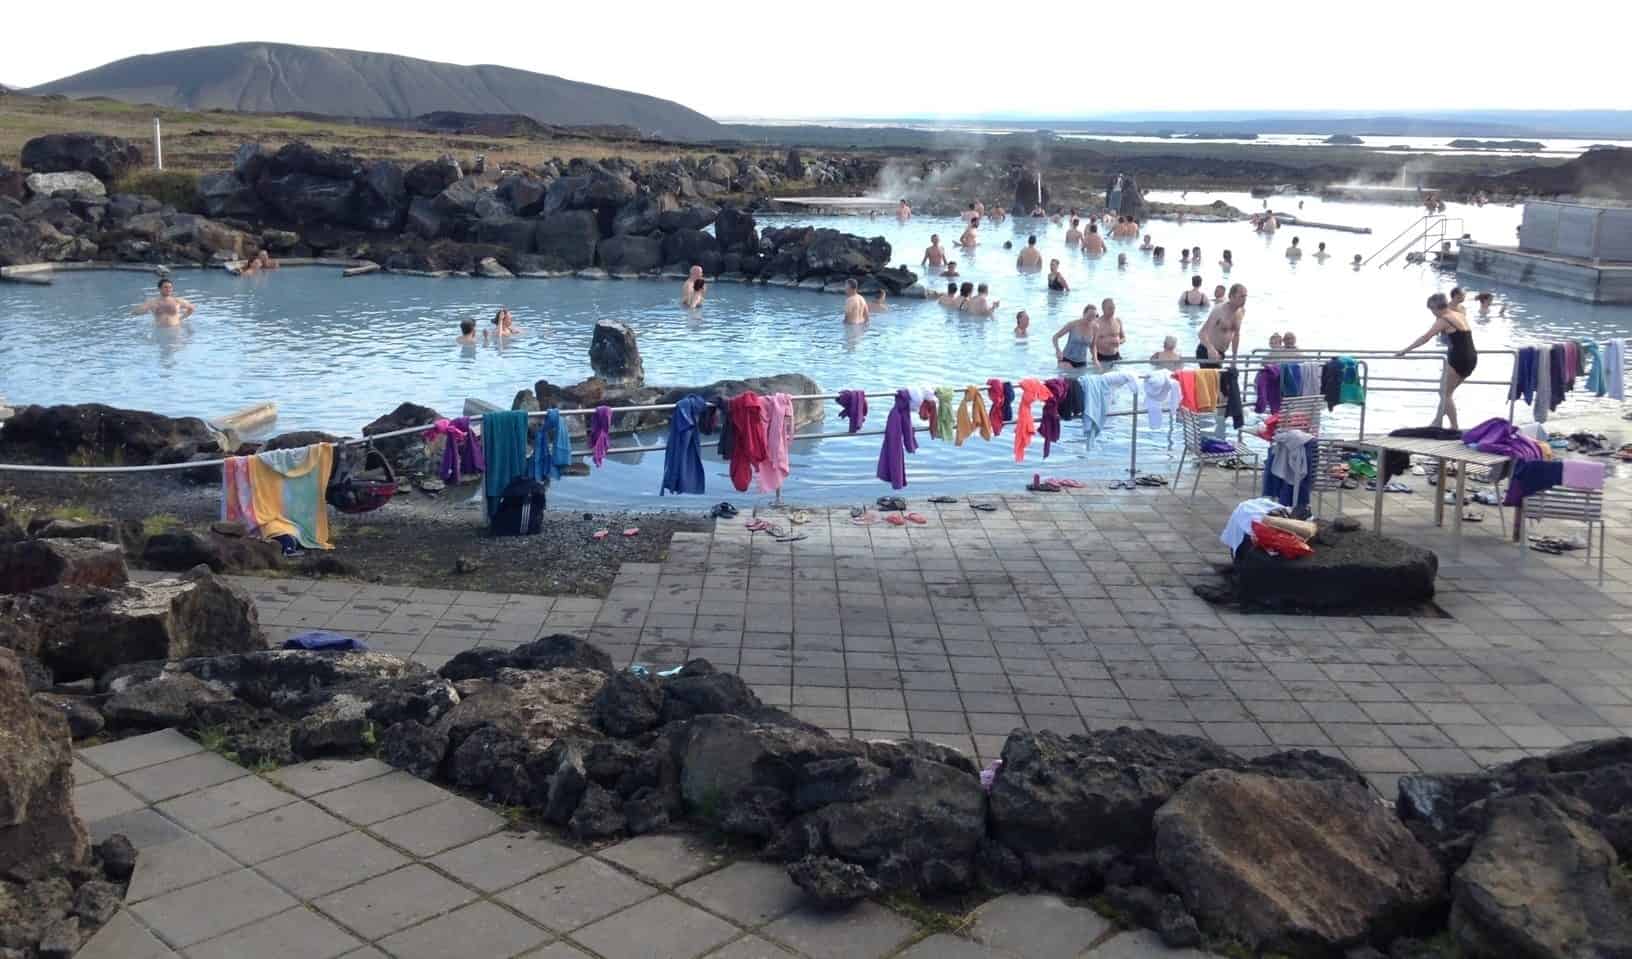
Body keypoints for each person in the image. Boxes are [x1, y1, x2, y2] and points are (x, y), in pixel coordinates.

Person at [1398, 292, 1477, 429]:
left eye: (1432, 310)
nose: (1432, 314)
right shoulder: (1458, 314)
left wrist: (1405, 350)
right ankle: (1437, 422)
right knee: (1447, 394)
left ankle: (1454, 427)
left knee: (1445, 394)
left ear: (1435, 308)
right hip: (1471, 357)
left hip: (1459, 359)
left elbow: (1425, 337)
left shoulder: (1444, 319)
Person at [1198, 283, 1247, 367]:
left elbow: (1236, 335)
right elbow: (1202, 333)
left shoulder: (1241, 311)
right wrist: (1211, 349)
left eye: (1245, 296)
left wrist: (1234, 358)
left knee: (1222, 378)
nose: (1244, 299)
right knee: (1214, 379)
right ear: (1231, 296)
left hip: (1221, 354)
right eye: (1241, 296)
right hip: (1206, 351)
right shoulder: (1219, 310)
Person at [130, 278, 195, 327]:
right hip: (159, 330)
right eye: (166, 287)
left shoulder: (177, 301)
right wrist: (143, 311)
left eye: (170, 287)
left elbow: (191, 308)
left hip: (175, 329)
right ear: (160, 288)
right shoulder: (152, 302)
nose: (168, 289)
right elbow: (135, 312)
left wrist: (181, 318)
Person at [1090, 299, 1126, 369]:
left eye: (1113, 308)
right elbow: (1090, 343)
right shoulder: (1096, 323)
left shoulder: (1118, 321)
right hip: (1100, 357)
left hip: (1116, 356)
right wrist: (1095, 359)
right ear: (1103, 309)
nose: (1112, 310)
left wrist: (1119, 342)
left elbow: (1124, 338)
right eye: (1109, 308)